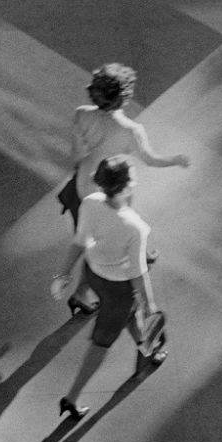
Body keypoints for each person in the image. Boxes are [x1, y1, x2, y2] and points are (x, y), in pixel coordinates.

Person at [62, 63, 189, 316]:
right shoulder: (132, 131)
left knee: (95, 236)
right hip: (117, 188)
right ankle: (82, 292)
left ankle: (132, 254)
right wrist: (176, 159)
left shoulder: (81, 114)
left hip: (86, 184)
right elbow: (151, 159)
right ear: (124, 96)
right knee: (110, 238)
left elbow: (76, 155)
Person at [51, 158, 167, 420]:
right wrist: (151, 305)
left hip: (94, 275)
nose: (136, 182)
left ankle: (149, 349)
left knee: (129, 314)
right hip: (118, 290)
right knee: (100, 344)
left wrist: (62, 275)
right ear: (125, 187)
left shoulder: (91, 202)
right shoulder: (134, 227)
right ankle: (72, 398)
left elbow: (79, 242)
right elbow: (138, 271)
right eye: (133, 179)